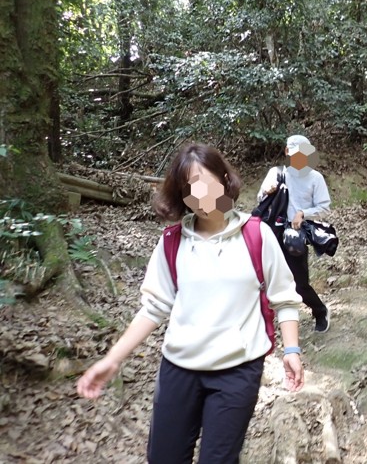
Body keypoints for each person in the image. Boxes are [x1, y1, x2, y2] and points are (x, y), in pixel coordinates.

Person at [77, 143, 304, 463]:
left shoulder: (257, 235)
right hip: (178, 372)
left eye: (207, 183)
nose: (201, 195)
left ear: (225, 181)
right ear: (182, 196)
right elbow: (154, 307)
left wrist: (291, 350)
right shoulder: (172, 243)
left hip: (237, 373)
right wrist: (113, 359)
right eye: (190, 188)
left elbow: (284, 299)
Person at [257, 135, 332, 333]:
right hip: (272, 231)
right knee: (265, 279)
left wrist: (303, 213)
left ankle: (320, 311)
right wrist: (267, 190)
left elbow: (324, 208)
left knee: (299, 282)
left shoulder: (315, 178)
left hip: (296, 234)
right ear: (287, 152)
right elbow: (260, 199)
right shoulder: (276, 172)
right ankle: (269, 321)